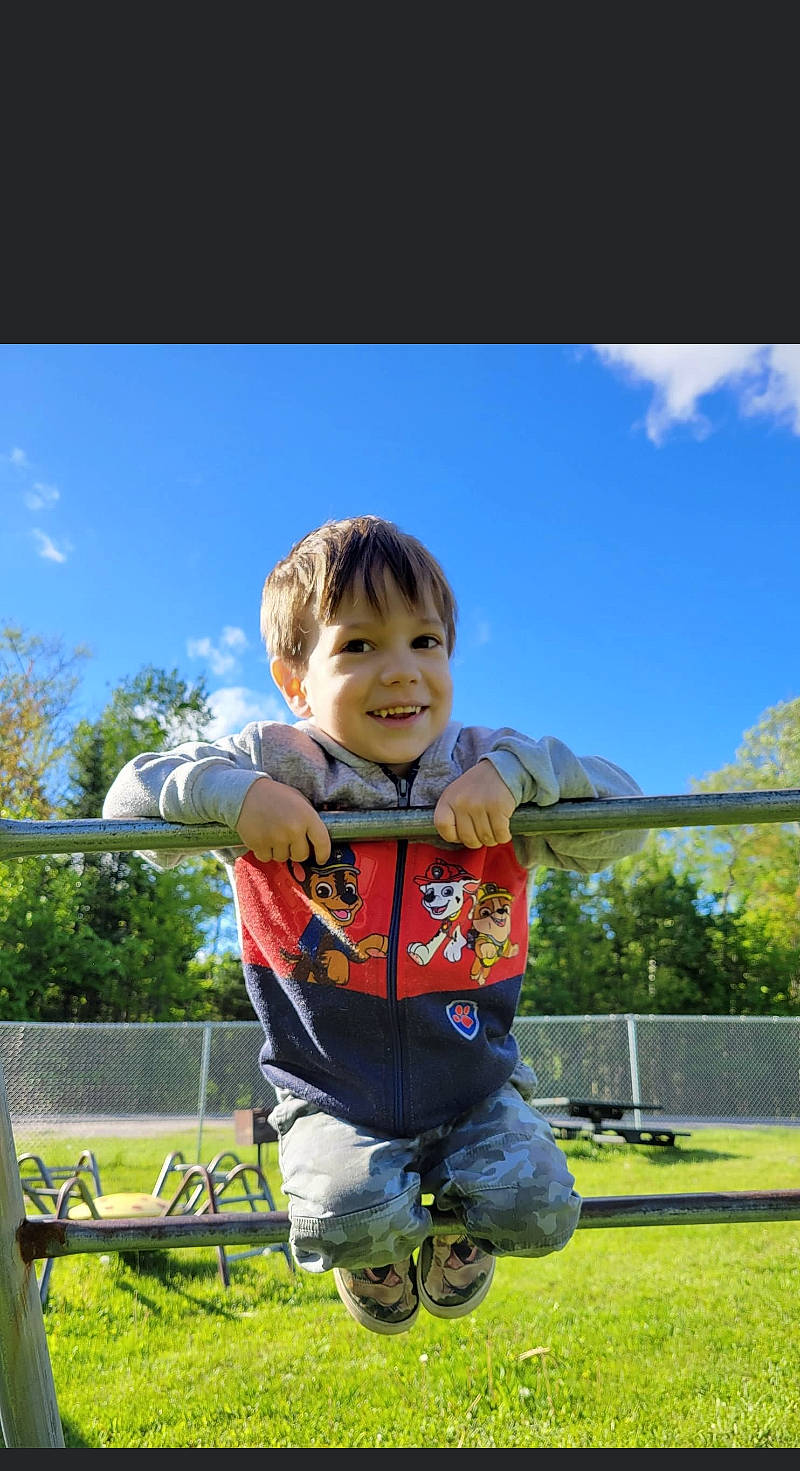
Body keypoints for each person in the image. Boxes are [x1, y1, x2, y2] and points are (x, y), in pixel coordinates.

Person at [103, 515, 648, 1334]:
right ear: (296, 679)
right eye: (359, 647)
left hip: (475, 1084)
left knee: (538, 1207)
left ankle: (460, 1236)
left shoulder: (487, 761)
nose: (402, 673)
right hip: (330, 1092)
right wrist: (239, 799)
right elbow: (129, 802)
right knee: (345, 1218)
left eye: (425, 642)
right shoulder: (273, 764)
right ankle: (375, 1254)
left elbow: (630, 822)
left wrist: (517, 777)